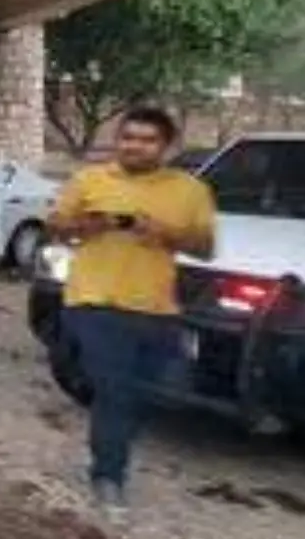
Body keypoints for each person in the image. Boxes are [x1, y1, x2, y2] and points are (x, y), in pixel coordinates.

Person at [47, 106, 216, 512]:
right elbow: (54, 227)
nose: (135, 146)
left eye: (146, 140)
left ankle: (107, 449)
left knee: (152, 391)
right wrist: (85, 226)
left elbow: (205, 248)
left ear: (166, 146)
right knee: (117, 391)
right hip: (94, 302)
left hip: (156, 308)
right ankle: (109, 477)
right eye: (128, 138)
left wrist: (164, 233)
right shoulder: (89, 180)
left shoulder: (189, 190)